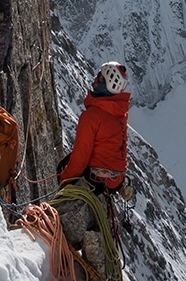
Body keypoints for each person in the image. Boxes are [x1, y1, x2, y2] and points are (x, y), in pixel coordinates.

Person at [54, 62, 131, 278]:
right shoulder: (119, 114)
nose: (95, 80)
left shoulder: (92, 115)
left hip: (94, 179)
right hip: (113, 181)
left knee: (60, 215)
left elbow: (81, 157)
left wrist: (65, 178)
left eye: (100, 77)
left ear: (106, 82)